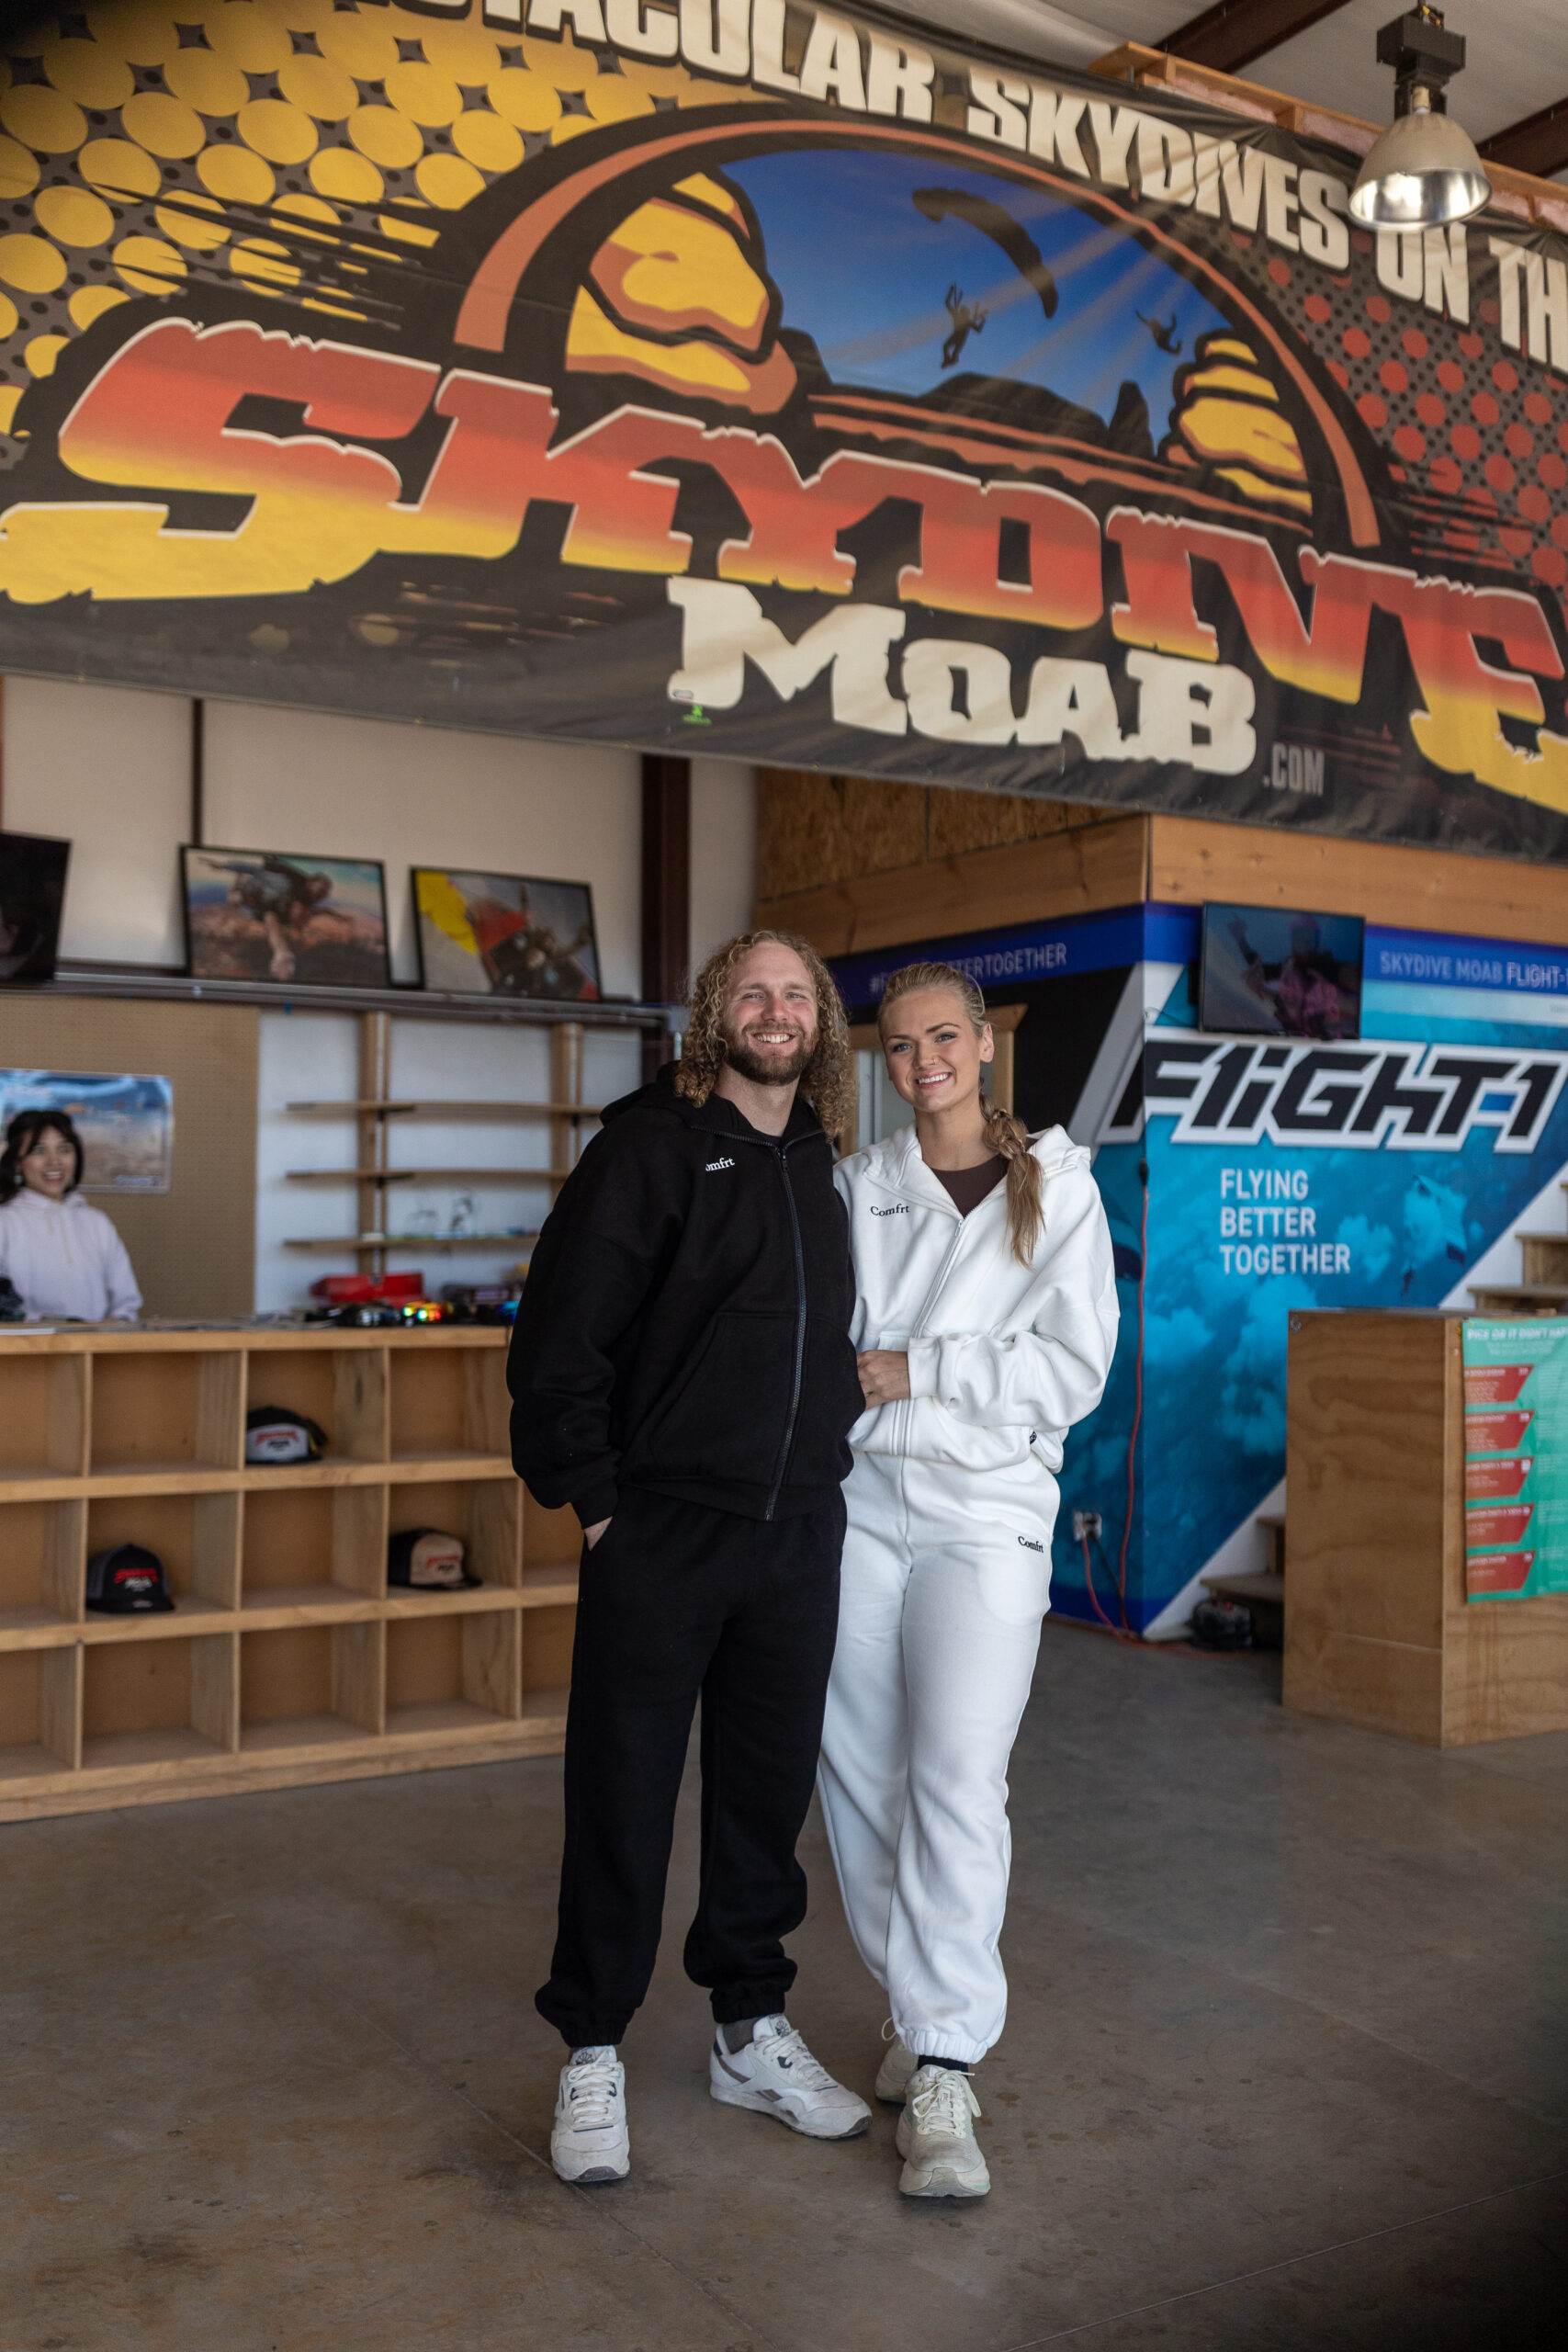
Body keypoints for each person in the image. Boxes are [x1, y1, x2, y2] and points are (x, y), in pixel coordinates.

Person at [508, 931, 871, 2187]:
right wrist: (600, 1506)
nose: (776, 1011)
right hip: (659, 1532)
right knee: (619, 1795)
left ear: (819, 1024)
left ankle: (746, 2028)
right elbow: (559, 1341)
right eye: (754, 992)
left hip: (796, 1533)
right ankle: (592, 2048)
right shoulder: (647, 1151)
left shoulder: (826, 1164)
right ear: (717, 1017)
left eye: (796, 994)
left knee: (764, 1804)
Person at [820, 962, 1118, 2201]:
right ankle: (911, 2003)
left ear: (983, 1045)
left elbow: (1072, 1368)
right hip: (853, 1514)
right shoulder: (856, 1187)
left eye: (942, 1037)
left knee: (955, 1772)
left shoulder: (1057, 1190)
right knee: (850, 1767)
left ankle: (944, 2061)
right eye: (897, 1047)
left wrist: (922, 1368)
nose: (922, 1062)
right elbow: (828, 1347)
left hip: (983, 1515)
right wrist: (885, 1371)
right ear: (880, 1064)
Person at [0, 1109, 141, 1321]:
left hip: (95, 1350)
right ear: (17, 1161)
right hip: (24, 1350)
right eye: (39, 1151)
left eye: (64, 1149)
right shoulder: (5, 1221)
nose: (54, 1162)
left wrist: (115, 1323)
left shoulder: (96, 1222)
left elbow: (126, 1303)